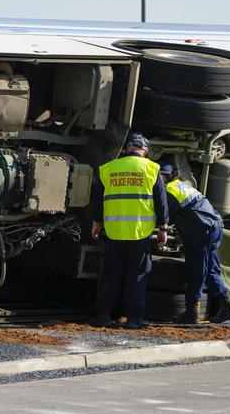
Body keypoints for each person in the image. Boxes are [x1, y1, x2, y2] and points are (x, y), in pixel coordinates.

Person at [89, 133, 169, 329]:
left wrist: (96, 223)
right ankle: (135, 319)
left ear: (127, 148)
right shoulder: (151, 168)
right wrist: (163, 228)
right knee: (137, 276)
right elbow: (161, 201)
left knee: (110, 274)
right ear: (145, 151)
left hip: (114, 230)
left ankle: (103, 315)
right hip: (139, 232)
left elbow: (98, 200)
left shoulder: (109, 168)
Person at [159, 161, 230, 324]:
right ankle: (227, 306)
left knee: (196, 271)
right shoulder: (183, 186)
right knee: (211, 270)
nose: (160, 179)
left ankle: (191, 311)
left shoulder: (169, 191)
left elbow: (161, 218)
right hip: (214, 228)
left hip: (200, 232)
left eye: (161, 176)